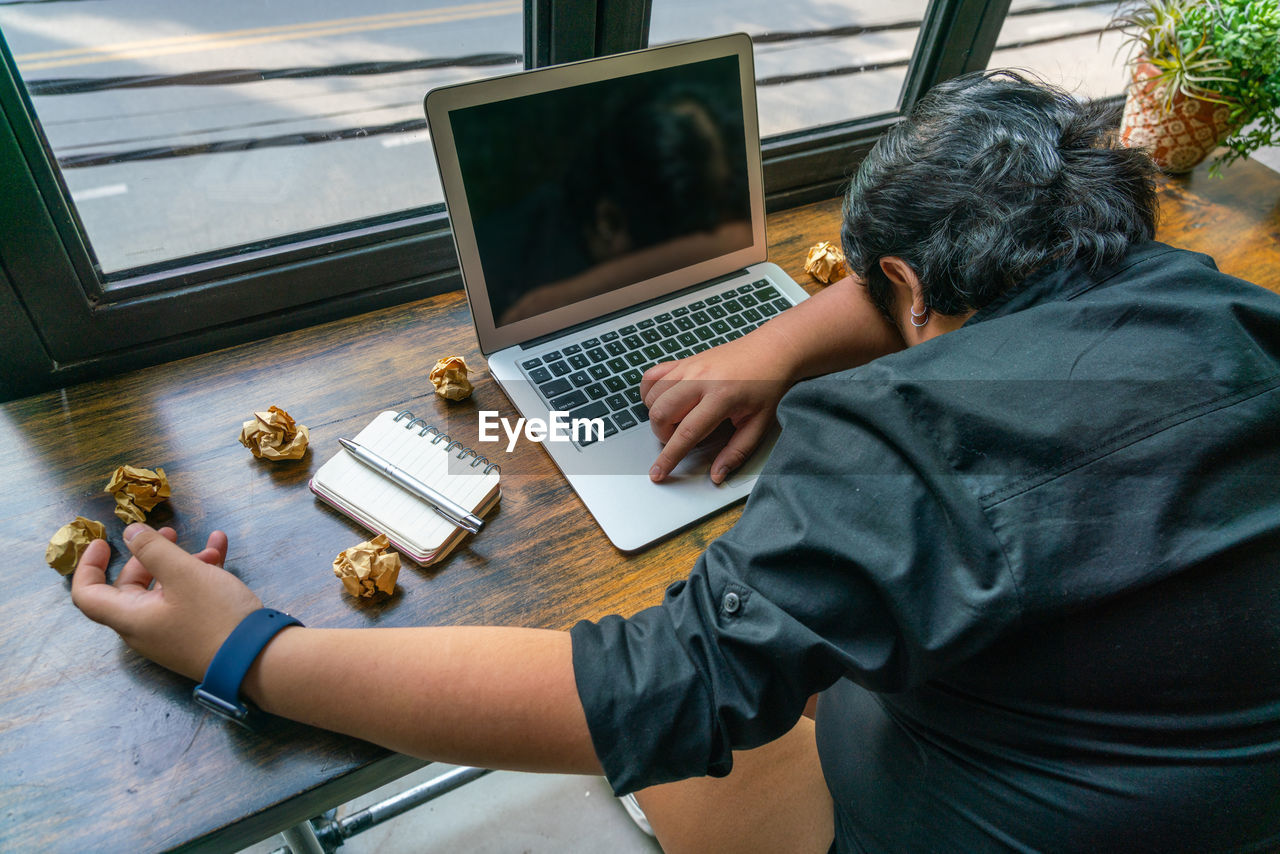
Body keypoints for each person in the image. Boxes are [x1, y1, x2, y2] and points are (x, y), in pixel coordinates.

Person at [71, 71, 1280, 852]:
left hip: (966, 822)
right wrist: (769, 342)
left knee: (705, 743)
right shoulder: (1219, 310)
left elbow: (644, 690)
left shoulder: (916, 441)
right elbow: (938, 305)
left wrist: (242, 649)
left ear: (903, 286)